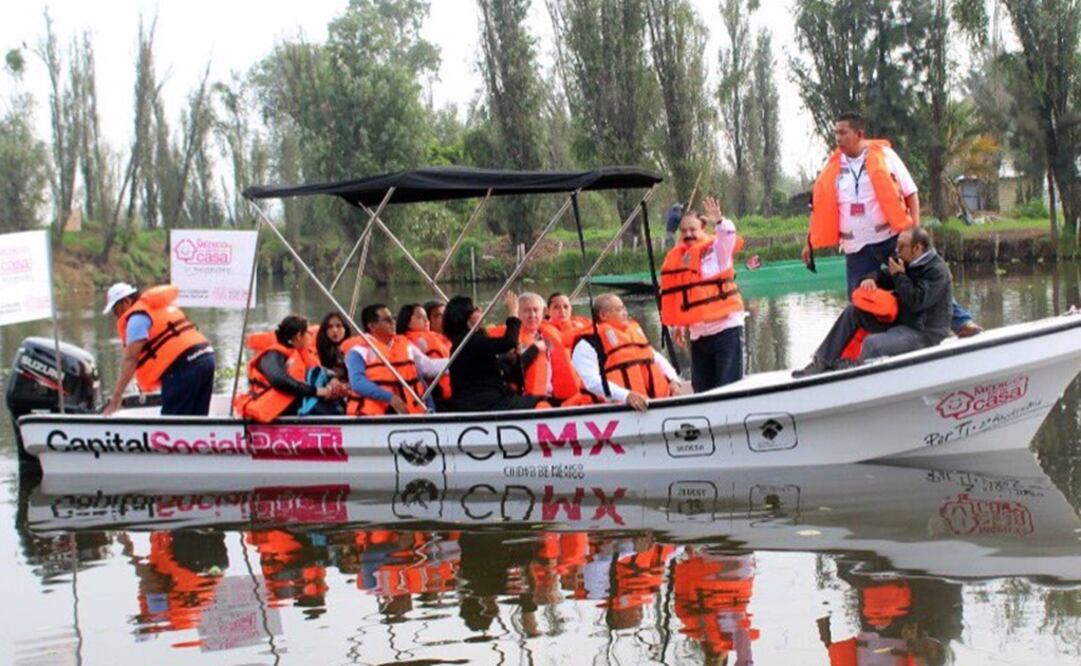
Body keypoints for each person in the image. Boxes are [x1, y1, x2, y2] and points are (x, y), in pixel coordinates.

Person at [803, 110, 981, 337]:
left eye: (843, 132)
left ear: (859, 134)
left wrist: (914, 229)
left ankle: (961, 323)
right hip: (855, 247)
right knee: (859, 301)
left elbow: (910, 192)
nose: (838, 138)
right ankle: (867, 348)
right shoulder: (832, 166)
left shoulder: (885, 156)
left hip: (889, 239)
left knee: (920, 279)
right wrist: (809, 242)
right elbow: (818, 208)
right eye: (835, 133)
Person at [793, 227, 952, 377]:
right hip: (901, 323)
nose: (897, 251)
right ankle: (822, 362)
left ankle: (857, 374)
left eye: (902, 246)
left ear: (918, 248)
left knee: (872, 344)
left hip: (924, 333)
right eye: (897, 246)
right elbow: (884, 276)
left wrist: (899, 276)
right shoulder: (907, 261)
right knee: (853, 311)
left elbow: (916, 301)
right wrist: (870, 279)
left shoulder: (937, 272)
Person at [660, 196, 746, 392]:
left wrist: (719, 220)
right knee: (702, 388)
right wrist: (680, 326)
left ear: (703, 229)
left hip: (725, 329)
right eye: (684, 231)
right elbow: (682, 296)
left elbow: (728, 236)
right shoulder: (681, 258)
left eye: (693, 230)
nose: (688, 235)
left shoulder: (718, 252)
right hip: (698, 335)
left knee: (728, 387)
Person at [103, 282, 216, 416]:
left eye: (115, 310)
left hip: (184, 367)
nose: (116, 315)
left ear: (127, 302)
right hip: (206, 358)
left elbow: (130, 360)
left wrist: (116, 398)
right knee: (197, 419)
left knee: (173, 422)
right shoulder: (160, 307)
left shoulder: (137, 319)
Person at [571, 293, 690, 411]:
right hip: (613, 408)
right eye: (619, 309)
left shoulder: (633, 335)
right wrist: (626, 396)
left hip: (653, 403)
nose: (625, 313)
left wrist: (674, 381)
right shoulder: (587, 344)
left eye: (624, 308)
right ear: (603, 315)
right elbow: (592, 382)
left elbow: (658, 359)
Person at [443, 293, 549, 412]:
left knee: (532, 398)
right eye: (476, 309)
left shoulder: (470, 340)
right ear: (468, 317)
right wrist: (513, 312)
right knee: (542, 402)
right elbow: (510, 341)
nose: (480, 310)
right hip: (483, 404)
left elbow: (487, 365)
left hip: (484, 400)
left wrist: (508, 358)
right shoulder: (469, 341)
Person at [234, 315, 347, 421]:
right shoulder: (272, 355)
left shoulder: (298, 352)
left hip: (293, 400)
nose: (311, 335)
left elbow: (317, 369)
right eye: (308, 332)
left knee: (339, 404)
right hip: (272, 405)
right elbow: (280, 380)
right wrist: (316, 391)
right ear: (299, 336)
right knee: (333, 411)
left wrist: (332, 378)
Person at [342, 304, 448, 415]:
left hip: (412, 414)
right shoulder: (359, 351)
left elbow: (419, 377)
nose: (393, 322)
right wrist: (390, 398)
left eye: (393, 318)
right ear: (372, 326)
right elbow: (358, 383)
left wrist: (430, 407)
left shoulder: (405, 345)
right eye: (387, 320)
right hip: (375, 417)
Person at [498, 292, 592, 406]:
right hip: (528, 401)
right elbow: (508, 371)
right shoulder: (510, 339)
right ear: (518, 313)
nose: (532, 315)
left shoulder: (550, 331)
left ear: (542, 313)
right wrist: (535, 349)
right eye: (527, 310)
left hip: (556, 398)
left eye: (536, 310)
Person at [298, 311, 354, 416]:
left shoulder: (354, 350)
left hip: (347, 393)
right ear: (325, 330)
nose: (335, 330)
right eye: (330, 327)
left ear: (345, 328)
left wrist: (346, 387)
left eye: (338, 326)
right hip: (322, 393)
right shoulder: (317, 350)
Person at [397, 302, 453, 406]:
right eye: (419, 317)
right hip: (436, 393)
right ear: (407, 322)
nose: (426, 320)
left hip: (452, 387)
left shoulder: (439, 337)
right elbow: (426, 368)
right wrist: (457, 362)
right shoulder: (406, 343)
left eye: (426, 317)